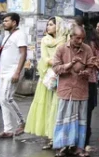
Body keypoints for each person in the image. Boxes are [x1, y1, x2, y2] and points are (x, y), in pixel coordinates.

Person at [51, 26, 99, 157]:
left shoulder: (87, 49)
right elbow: (55, 68)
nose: (80, 41)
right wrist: (69, 65)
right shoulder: (61, 48)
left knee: (80, 119)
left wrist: (87, 72)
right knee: (63, 117)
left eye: (82, 38)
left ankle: (78, 147)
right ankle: (62, 146)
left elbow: (91, 66)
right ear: (70, 37)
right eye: (77, 38)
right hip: (65, 89)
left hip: (81, 89)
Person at [25, 17, 68, 149]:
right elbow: (44, 57)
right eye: (47, 25)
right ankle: (50, 137)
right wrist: (55, 64)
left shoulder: (66, 39)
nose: (48, 27)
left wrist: (61, 65)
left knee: (59, 106)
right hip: (49, 76)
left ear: (58, 26)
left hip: (63, 74)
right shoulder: (45, 40)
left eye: (51, 24)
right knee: (48, 106)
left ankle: (60, 137)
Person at [0, 13, 28, 138]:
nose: (4, 23)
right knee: (2, 100)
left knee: (7, 98)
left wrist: (18, 72)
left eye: (7, 21)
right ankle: (8, 129)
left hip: (13, 71)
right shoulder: (7, 36)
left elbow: (23, 54)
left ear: (14, 22)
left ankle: (21, 122)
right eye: (3, 21)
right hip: (3, 72)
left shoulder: (20, 34)